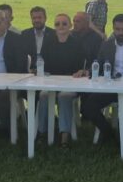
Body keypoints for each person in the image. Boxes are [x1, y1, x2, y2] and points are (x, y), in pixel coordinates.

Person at [83, 14, 123, 143]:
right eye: (117, 29)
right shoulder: (107, 45)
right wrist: (87, 71)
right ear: (113, 28)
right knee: (88, 107)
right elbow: (99, 63)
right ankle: (109, 132)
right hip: (110, 86)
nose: (121, 33)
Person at [37, 14, 87, 147]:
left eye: (64, 23)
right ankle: (41, 131)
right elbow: (43, 63)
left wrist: (81, 71)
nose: (61, 26)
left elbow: (82, 66)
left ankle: (65, 134)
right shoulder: (48, 42)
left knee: (64, 96)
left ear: (70, 25)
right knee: (43, 95)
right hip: (51, 82)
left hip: (71, 82)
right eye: (57, 24)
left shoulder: (77, 43)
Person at [22, 6, 55, 72]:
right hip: (29, 72)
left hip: (49, 72)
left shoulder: (54, 34)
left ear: (45, 18)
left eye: (39, 18)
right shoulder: (24, 34)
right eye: (34, 18)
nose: (37, 20)